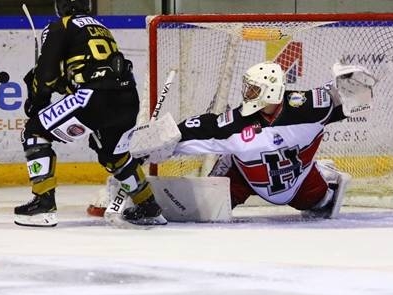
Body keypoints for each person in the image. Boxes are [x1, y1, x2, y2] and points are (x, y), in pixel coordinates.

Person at [127, 61, 378, 218]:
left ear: (270, 91)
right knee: (212, 209)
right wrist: (156, 143)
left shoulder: (309, 107)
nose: (247, 93)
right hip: (245, 176)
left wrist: (348, 87)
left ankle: (324, 172)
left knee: (323, 204)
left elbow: (355, 101)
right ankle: (228, 170)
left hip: (298, 180)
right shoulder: (235, 123)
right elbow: (194, 131)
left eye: (253, 89)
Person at [14, 0, 166, 227]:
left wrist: (37, 101)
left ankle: (43, 204)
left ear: (58, 7)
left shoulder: (60, 26)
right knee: (113, 155)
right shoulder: (100, 28)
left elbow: (46, 76)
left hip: (95, 97)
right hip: (127, 99)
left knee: (34, 131)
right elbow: (85, 73)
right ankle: (148, 206)